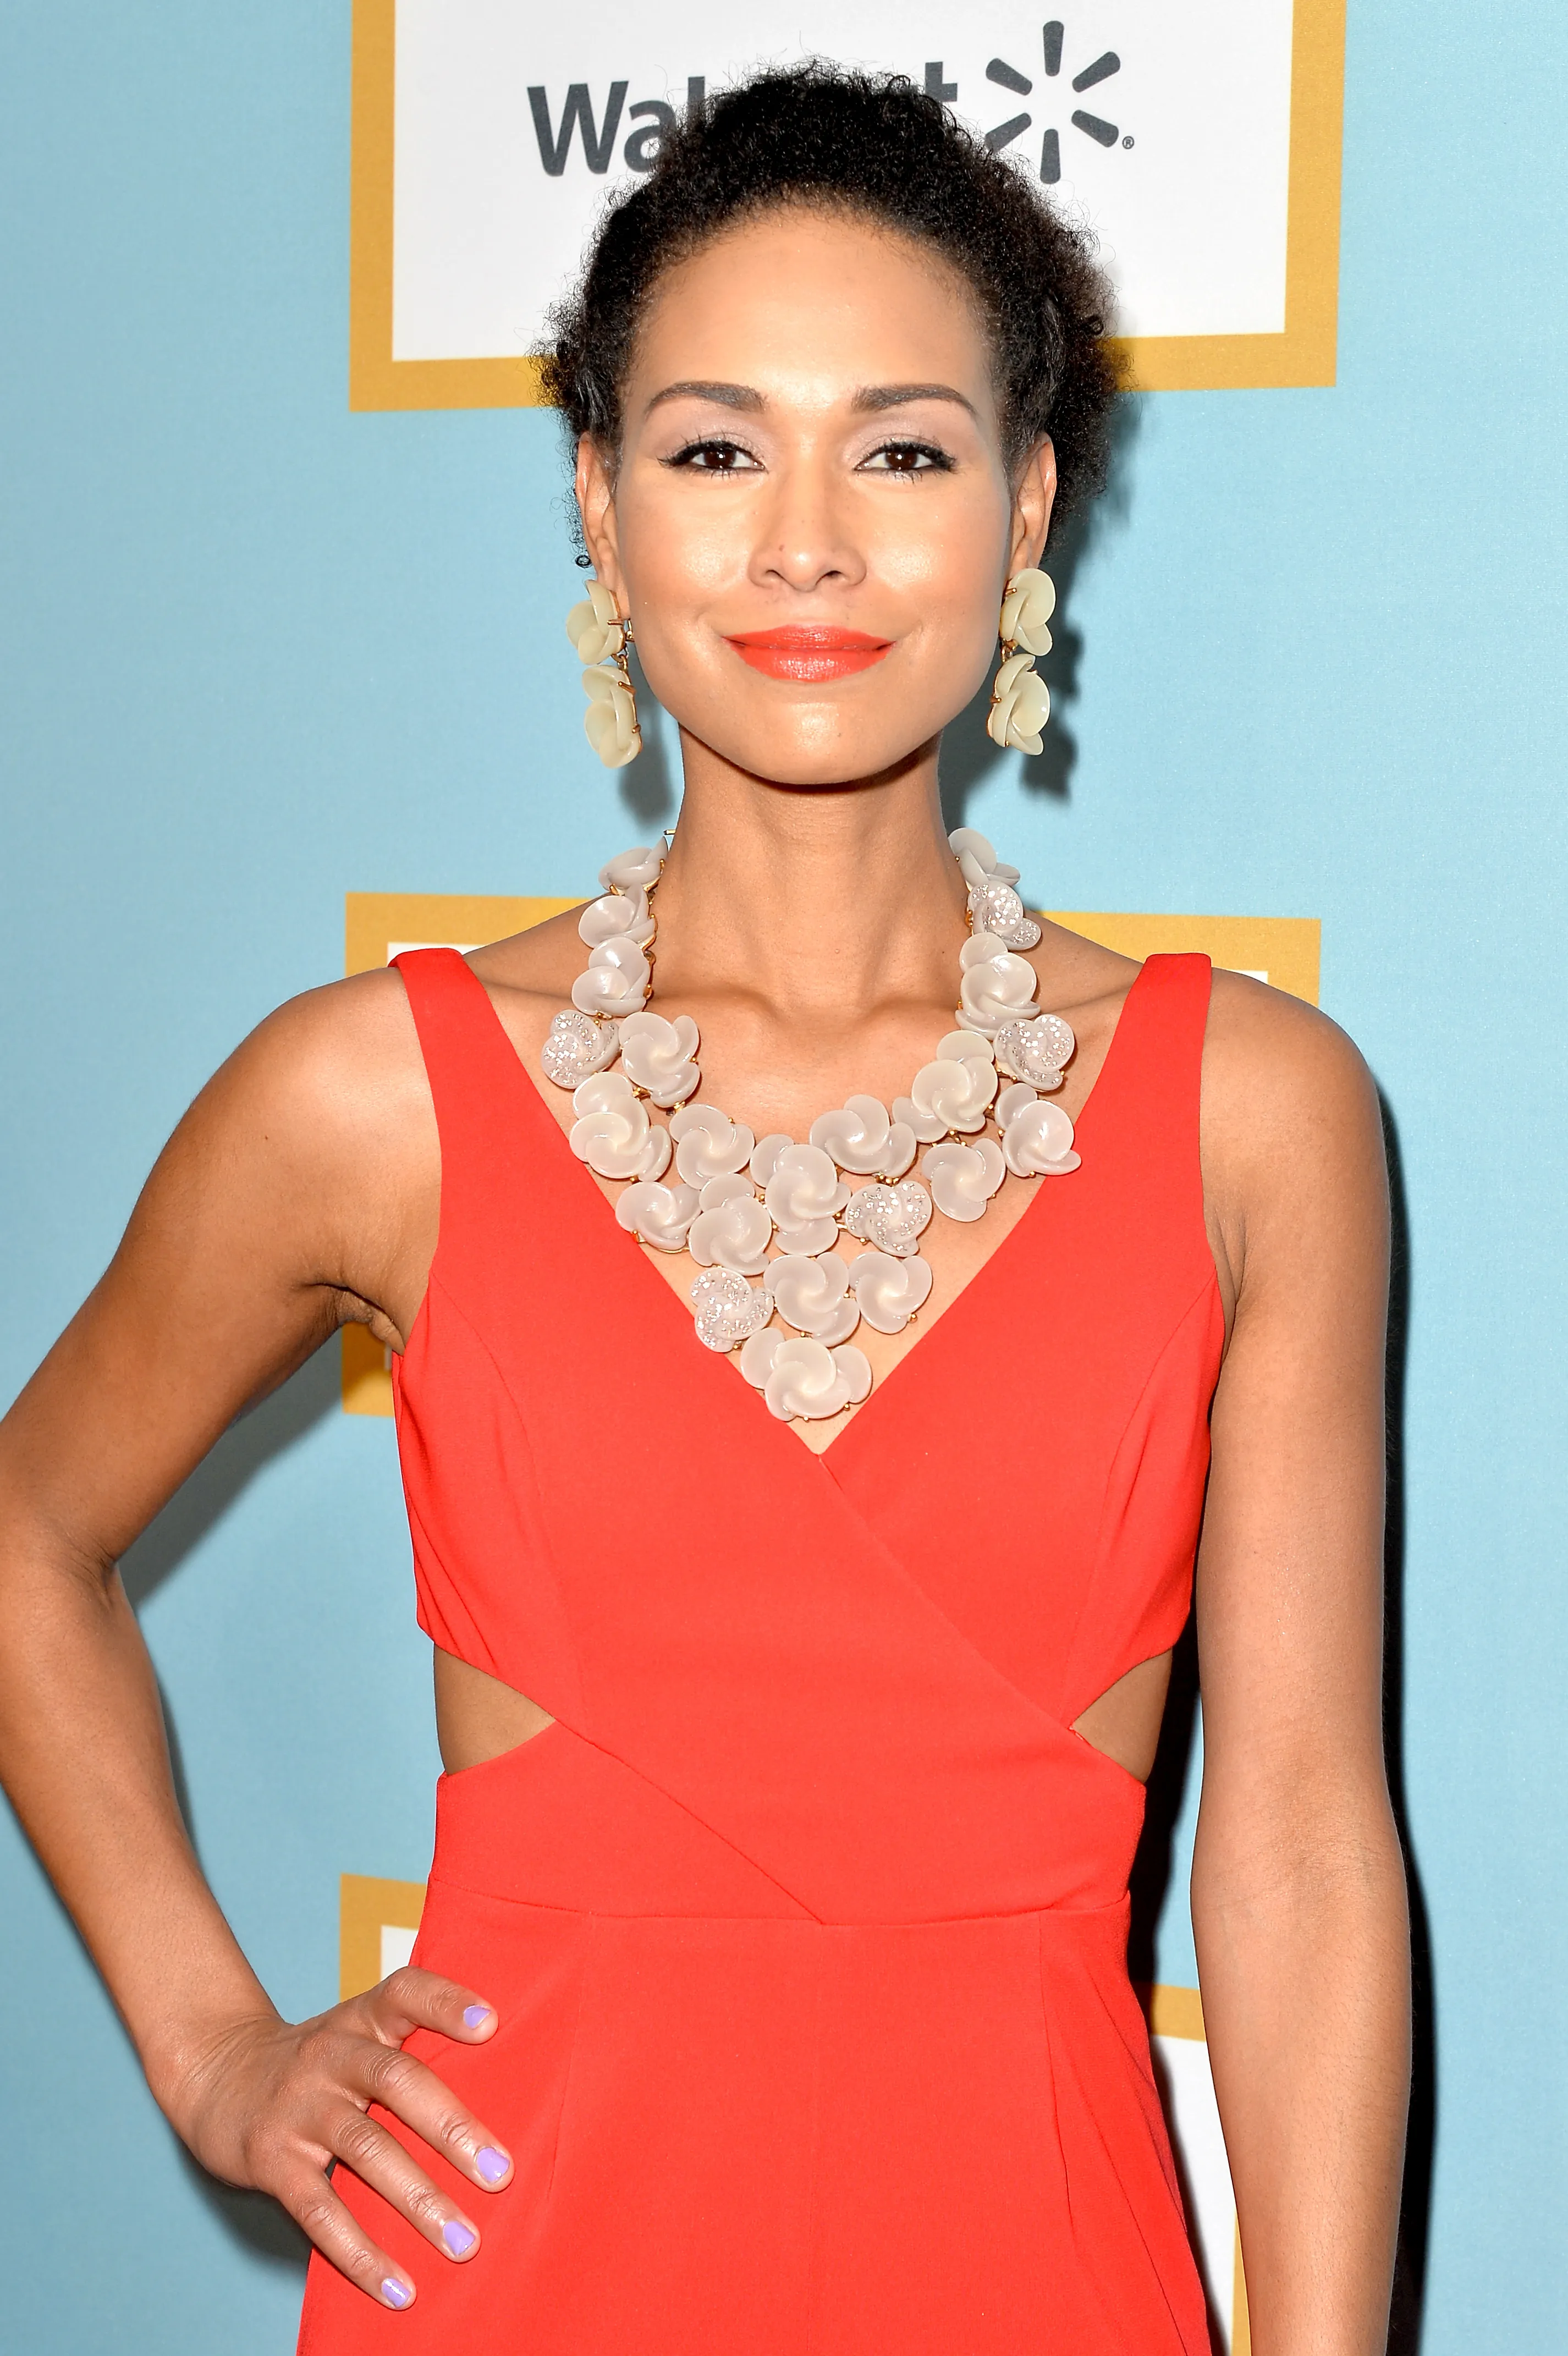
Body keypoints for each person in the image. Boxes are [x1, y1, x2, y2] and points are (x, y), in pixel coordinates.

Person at [0, 64, 1409, 2355]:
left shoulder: (1256, 1113)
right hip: (512, 2265)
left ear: (1028, 501)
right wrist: (209, 2048)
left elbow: (1298, 1849)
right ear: (598, 497)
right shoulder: (378, 1095)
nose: (809, 545)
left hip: (1037, 2272)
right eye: (716, 446)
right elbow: (25, 1532)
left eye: (908, 449)